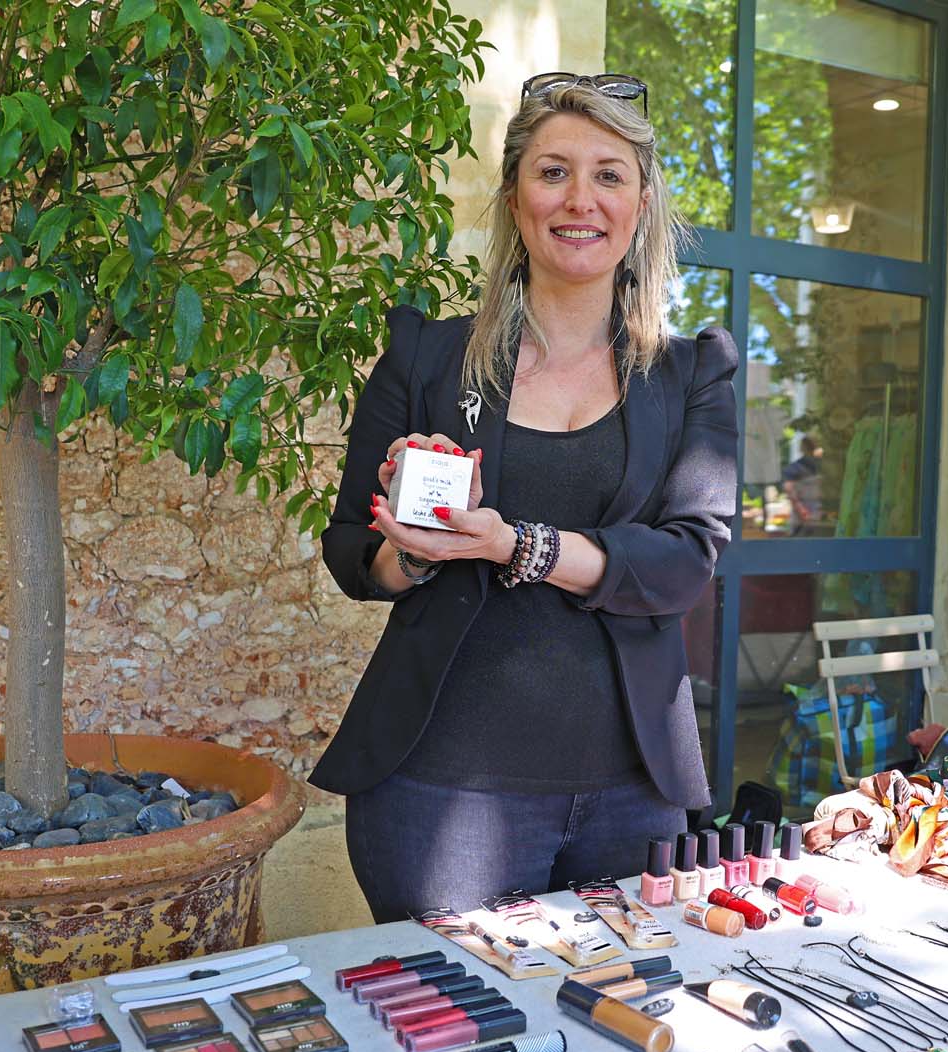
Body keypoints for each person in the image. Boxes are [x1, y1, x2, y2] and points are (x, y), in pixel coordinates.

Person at [315, 73, 739, 923]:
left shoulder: (695, 374)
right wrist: (412, 548)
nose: (580, 199)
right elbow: (351, 555)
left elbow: (687, 562)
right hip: (442, 797)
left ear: (642, 201)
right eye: (553, 172)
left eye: (609, 174)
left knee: (621, 1033)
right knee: (457, 1041)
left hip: (634, 798)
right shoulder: (428, 360)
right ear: (515, 200)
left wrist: (521, 545)